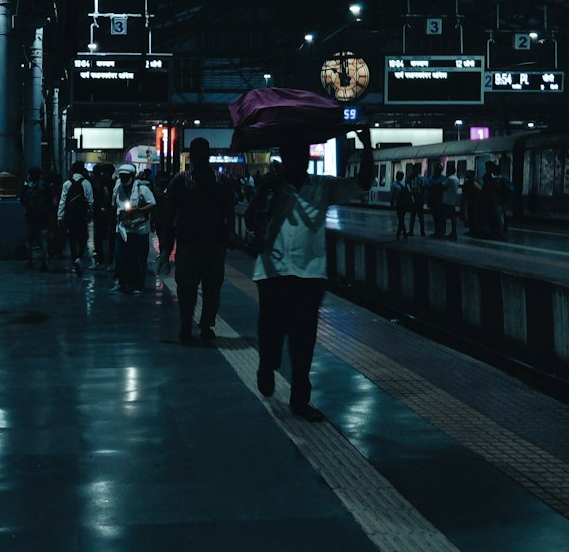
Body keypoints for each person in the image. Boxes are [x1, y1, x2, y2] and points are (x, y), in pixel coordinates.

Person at [248, 128, 374, 421]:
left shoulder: (321, 186)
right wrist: (263, 190)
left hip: (310, 275)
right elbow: (252, 219)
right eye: (294, 154)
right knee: (271, 333)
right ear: (284, 157)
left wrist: (366, 147)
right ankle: (267, 363)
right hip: (272, 272)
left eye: (303, 154)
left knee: (304, 340)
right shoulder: (271, 187)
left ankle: (300, 400)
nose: (300, 160)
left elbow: (362, 183)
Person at [165, 137, 233, 343]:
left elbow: (229, 210)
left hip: (211, 243)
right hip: (189, 243)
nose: (202, 156)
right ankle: (187, 321)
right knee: (187, 286)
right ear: (191, 155)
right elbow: (169, 214)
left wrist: (228, 235)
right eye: (198, 152)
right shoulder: (180, 180)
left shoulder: (221, 181)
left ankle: (205, 324)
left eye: (204, 151)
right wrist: (167, 245)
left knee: (212, 287)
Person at [112, 163, 156, 294]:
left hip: (139, 229)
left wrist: (138, 210)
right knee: (120, 257)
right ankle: (121, 282)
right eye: (122, 177)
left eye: (126, 177)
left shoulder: (142, 189)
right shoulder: (118, 188)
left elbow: (152, 203)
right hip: (123, 228)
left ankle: (138, 285)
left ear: (132, 176)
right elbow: (114, 204)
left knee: (138, 258)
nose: (124, 180)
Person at [57, 161, 94, 276]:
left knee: (72, 238)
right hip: (82, 215)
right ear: (83, 170)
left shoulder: (67, 183)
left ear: (72, 171)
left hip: (70, 215)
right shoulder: (86, 183)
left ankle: (74, 261)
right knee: (83, 237)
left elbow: (62, 201)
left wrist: (60, 216)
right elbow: (90, 201)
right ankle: (79, 258)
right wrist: (90, 215)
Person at [20, 166, 52, 270]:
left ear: (29, 176)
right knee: (43, 240)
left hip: (30, 217)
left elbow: (23, 203)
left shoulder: (26, 189)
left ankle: (29, 261)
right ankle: (45, 262)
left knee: (29, 240)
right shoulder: (45, 188)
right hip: (43, 217)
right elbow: (50, 203)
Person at [91, 163, 114, 268]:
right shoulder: (114, 183)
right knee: (109, 238)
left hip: (101, 213)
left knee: (99, 237)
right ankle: (109, 261)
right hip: (110, 213)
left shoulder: (99, 183)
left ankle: (101, 260)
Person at [389, 170, 412, 241]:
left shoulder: (394, 185)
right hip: (405, 204)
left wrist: (391, 203)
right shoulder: (406, 184)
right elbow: (409, 193)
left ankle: (401, 235)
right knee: (401, 219)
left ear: (396, 176)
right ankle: (400, 235)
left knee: (401, 219)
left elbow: (391, 195)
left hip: (398, 204)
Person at [426, 162, 446, 237]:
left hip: (439, 200)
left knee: (440, 217)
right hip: (436, 200)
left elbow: (430, 185)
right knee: (436, 217)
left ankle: (440, 231)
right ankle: (438, 231)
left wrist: (434, 186)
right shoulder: (442, 178)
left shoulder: (432, 179)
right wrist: (438, 185)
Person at [442, 160, 461, 240]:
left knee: (444, 217)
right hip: (453, 200)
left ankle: (443, 232)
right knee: (453, 218)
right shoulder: (456, 179)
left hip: (446, 201)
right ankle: (454, 232)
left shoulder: (449, 179)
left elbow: (443, 186)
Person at [406, 164, 426, 238]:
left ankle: (419, 231)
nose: (415, 171)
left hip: (417, 197)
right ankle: (418, 231)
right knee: (416, 216)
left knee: (417, 216)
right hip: (414, 197)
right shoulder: (412, 178)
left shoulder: (417, 178)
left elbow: (423, 188)